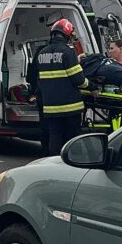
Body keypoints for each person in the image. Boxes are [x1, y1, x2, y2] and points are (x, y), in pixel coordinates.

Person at [34, 19, 89, 157]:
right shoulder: (68, 52)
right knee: (73, 138)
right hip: (70, 107)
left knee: (55, 137)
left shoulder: (41, 53)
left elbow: (37, 78)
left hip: (50, 107)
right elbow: (78, 79)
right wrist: (92, 86)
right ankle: (73, 163)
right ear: (67, 35)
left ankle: (55, 163)